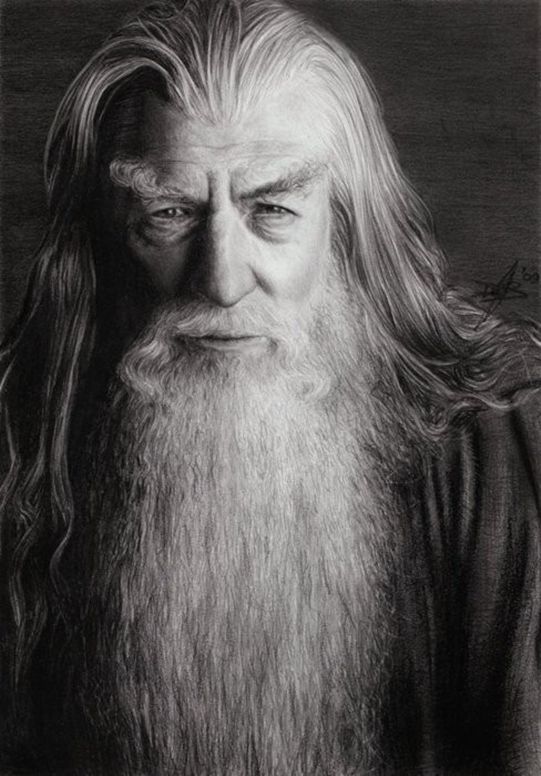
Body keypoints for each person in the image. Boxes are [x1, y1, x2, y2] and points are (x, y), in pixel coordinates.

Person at [0, 0, 539, 773]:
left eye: (274, 209)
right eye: (168, 212)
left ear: (346, 231)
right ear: (102, 240)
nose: (221, 281)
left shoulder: (502, 448)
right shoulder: (20, 440)